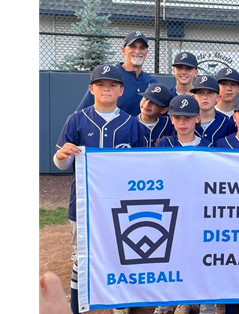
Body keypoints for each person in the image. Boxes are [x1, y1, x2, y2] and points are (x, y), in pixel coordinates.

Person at [54, 65, 147, 314]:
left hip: (120, 205)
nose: (107, 88)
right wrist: (62, 155)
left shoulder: (131, 124)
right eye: (101, 84)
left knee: (119, 256)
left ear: (121, 90)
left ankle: (119, 307)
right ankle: (78, 308)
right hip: (84, 204)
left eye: (112, 85)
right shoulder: (76, 120)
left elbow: (139, 168)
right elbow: (62, 164)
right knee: (81, 259)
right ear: (91, 88)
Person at [75, 31, 157, 117]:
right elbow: (81, 114)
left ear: (146, 52)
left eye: (142, 48)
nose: (137, 51)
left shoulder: (152, 82)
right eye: (132, 47)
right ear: (123, 51)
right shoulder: (109, 76)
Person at [191, 75, 237, 145]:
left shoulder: (228, 124)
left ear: (218, 98)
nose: (205, 97)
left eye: (210, 93)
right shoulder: (186, 122)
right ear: (193, 97)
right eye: (200, 93)